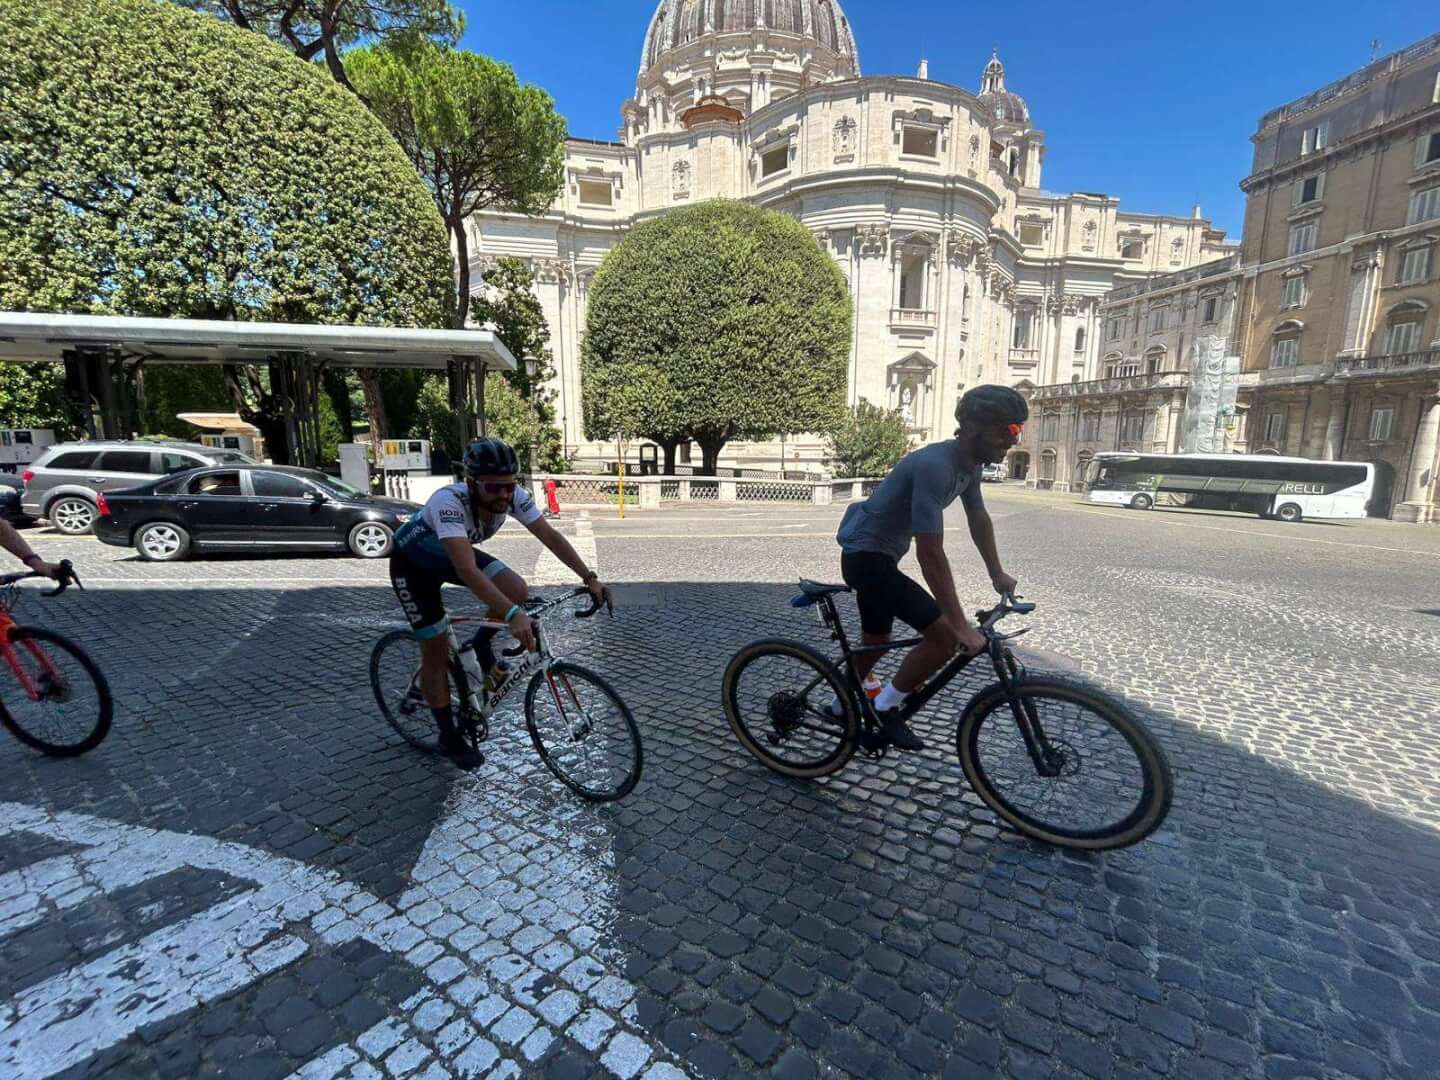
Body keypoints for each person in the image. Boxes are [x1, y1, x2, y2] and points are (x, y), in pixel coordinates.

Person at [389, 437, 612, 769]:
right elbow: (467, 570)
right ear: (472, 483)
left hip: (452, 553)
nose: (504, 495)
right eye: (494, 487)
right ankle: (448, 736)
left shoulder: (512, 496)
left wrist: (589, 577)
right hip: (413, 563)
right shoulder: (448, 503)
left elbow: (550, 536)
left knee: (516, 589)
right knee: (435, 650)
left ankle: (480, 644)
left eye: (510, 486)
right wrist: (511, 614)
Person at [834, 384, 1027, 751]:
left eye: (1018, 429)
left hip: (880, 557)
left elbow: (978, 517)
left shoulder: (970, 466)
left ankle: (838, 704)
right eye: (1007, 429)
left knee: (876, 642)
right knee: (944, 638)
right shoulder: (935, 466)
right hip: (866, 558)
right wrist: (959, 624)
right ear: (972, 428)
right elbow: (930, 554)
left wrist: (997, 573)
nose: (1013, 439)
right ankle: (885, 708)